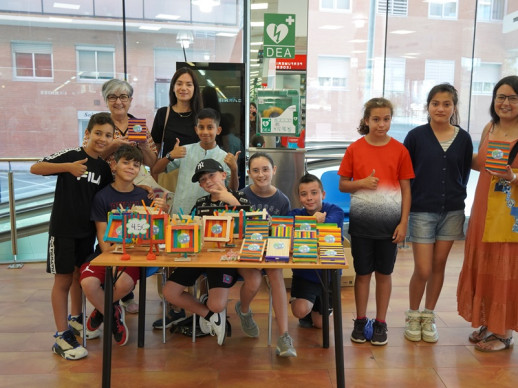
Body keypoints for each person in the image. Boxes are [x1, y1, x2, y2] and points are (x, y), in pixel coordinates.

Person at [30, 112, 114, 360]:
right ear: (87, 133)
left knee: (79, 275)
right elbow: (36, 167)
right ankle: (61, 336)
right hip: (63, 231)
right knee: (63, 280)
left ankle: (76, 320)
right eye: (98, 133)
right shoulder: (71, 155)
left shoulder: (103, 167)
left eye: (107, 135)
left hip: (87, 232)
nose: (102, 138)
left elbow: (108, 196)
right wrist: (67, 167)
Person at [338, 97, 414, 346]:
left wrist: (404, 223)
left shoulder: (400, 150)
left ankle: (380, 322)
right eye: (376, 119)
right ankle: (360, 320)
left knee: (384, 273)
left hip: (389, 226)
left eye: (386, 119)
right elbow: (342, 184)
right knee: (362, 274)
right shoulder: (354, 149)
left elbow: (406, 190)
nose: (381, 124)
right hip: (361, 225)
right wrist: (361, 183)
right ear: (366, 120)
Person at [82, 78, 160, 314]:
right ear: (106, 100)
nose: (118, 101)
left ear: (130, 100)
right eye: (113, 97)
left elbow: (153, 163)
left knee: (139, 227)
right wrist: (113, 144)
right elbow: (90, 156)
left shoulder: (140, 126)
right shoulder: (100, 125)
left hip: (139, 183)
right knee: (110, 231)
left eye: (123, 97)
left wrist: (145, 147)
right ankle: (110, 286)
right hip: (108, 183)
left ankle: (125, 290)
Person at [403, 84, 473, 343]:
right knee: (422, 269)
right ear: (428, 106)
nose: (440, 108)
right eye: (435, 103)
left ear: (454, 107)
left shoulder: (463, 138)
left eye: (446, 104)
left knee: (438, 265)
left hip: (452, 211)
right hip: (422, 210)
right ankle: (412, 314)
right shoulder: (415, 136)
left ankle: (428, 316)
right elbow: (406, 176)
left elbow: (462, 173)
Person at [79, 145, 167, 347]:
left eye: (136, 165)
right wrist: (114, 257)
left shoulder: (146, 196)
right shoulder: (102, 197)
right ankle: (112, 313)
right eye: (125, 162)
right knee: (88, 284)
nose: (130, 168)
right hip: (107, 254)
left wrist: (164, 211)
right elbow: (103, 240)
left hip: (135, 256)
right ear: (114, 165)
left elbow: (157, 232)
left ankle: (102, 309)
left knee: (123, 285)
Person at [457, 75, 518, 352]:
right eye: (501, 97)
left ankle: (503, 332)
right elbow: (480, 164)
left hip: (510, 211)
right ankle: (491, 322)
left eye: (513, 98)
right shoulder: (489, 127)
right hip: (483, 206)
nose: (505, 103)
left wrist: (513, 176)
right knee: (485, 263)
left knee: (504, 263)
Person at [162, 159, 249, 346]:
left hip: (225, 260)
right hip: (198, 258)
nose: (207, 181)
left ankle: (211, 306)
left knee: (217, 304)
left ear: (224, 175)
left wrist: (231, 201)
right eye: (202, 179)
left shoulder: (241, 198)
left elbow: (250, 230)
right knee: (169, 292)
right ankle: (209, 315)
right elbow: (189, 227)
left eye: (211, 175)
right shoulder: (200, 203)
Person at [237, 152, 296, 357]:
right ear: (249, 173)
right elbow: (236, 230)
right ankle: (243, 310)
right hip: (246, 250)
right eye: (255, 170)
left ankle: (284, 337)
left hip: (271, 250)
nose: (261, 174)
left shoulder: (282, 200)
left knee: (276, 276)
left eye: (265, 169)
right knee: (253, 282)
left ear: (274, 171)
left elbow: (284, 233)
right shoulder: (241, 196)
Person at [151, 108, 240, 215]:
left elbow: (233, 190)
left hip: (211, 215)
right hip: (180, 213)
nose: (205, 132)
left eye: (210, 127)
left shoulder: (225, 157)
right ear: (196, 129)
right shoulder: (184, 151)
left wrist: (234, 170)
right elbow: (156, 169)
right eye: (201, 127)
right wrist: (170, 156)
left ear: (218, 130)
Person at [288, 173, 344, 331]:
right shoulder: (295, 214)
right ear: (299, 197)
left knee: (321, 325)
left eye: (314, 193)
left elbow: (329, 227)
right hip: (305, 275)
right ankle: (307, 307)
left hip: (329, 276)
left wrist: (307, 225)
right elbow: (286, 226)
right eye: (304, 194)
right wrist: (313, 221)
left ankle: (319, 306)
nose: (309, 198)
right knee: (300, 310)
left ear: (323, 194)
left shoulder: (336, 211)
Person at [151, 67, 202, 158]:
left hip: (197, 171)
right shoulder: (163, 114)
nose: (183, 88)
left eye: (189, 85)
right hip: (169, 171)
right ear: (173, 88)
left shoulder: (202, 115)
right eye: (179, 84)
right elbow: (155, 151)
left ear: (195, 89)